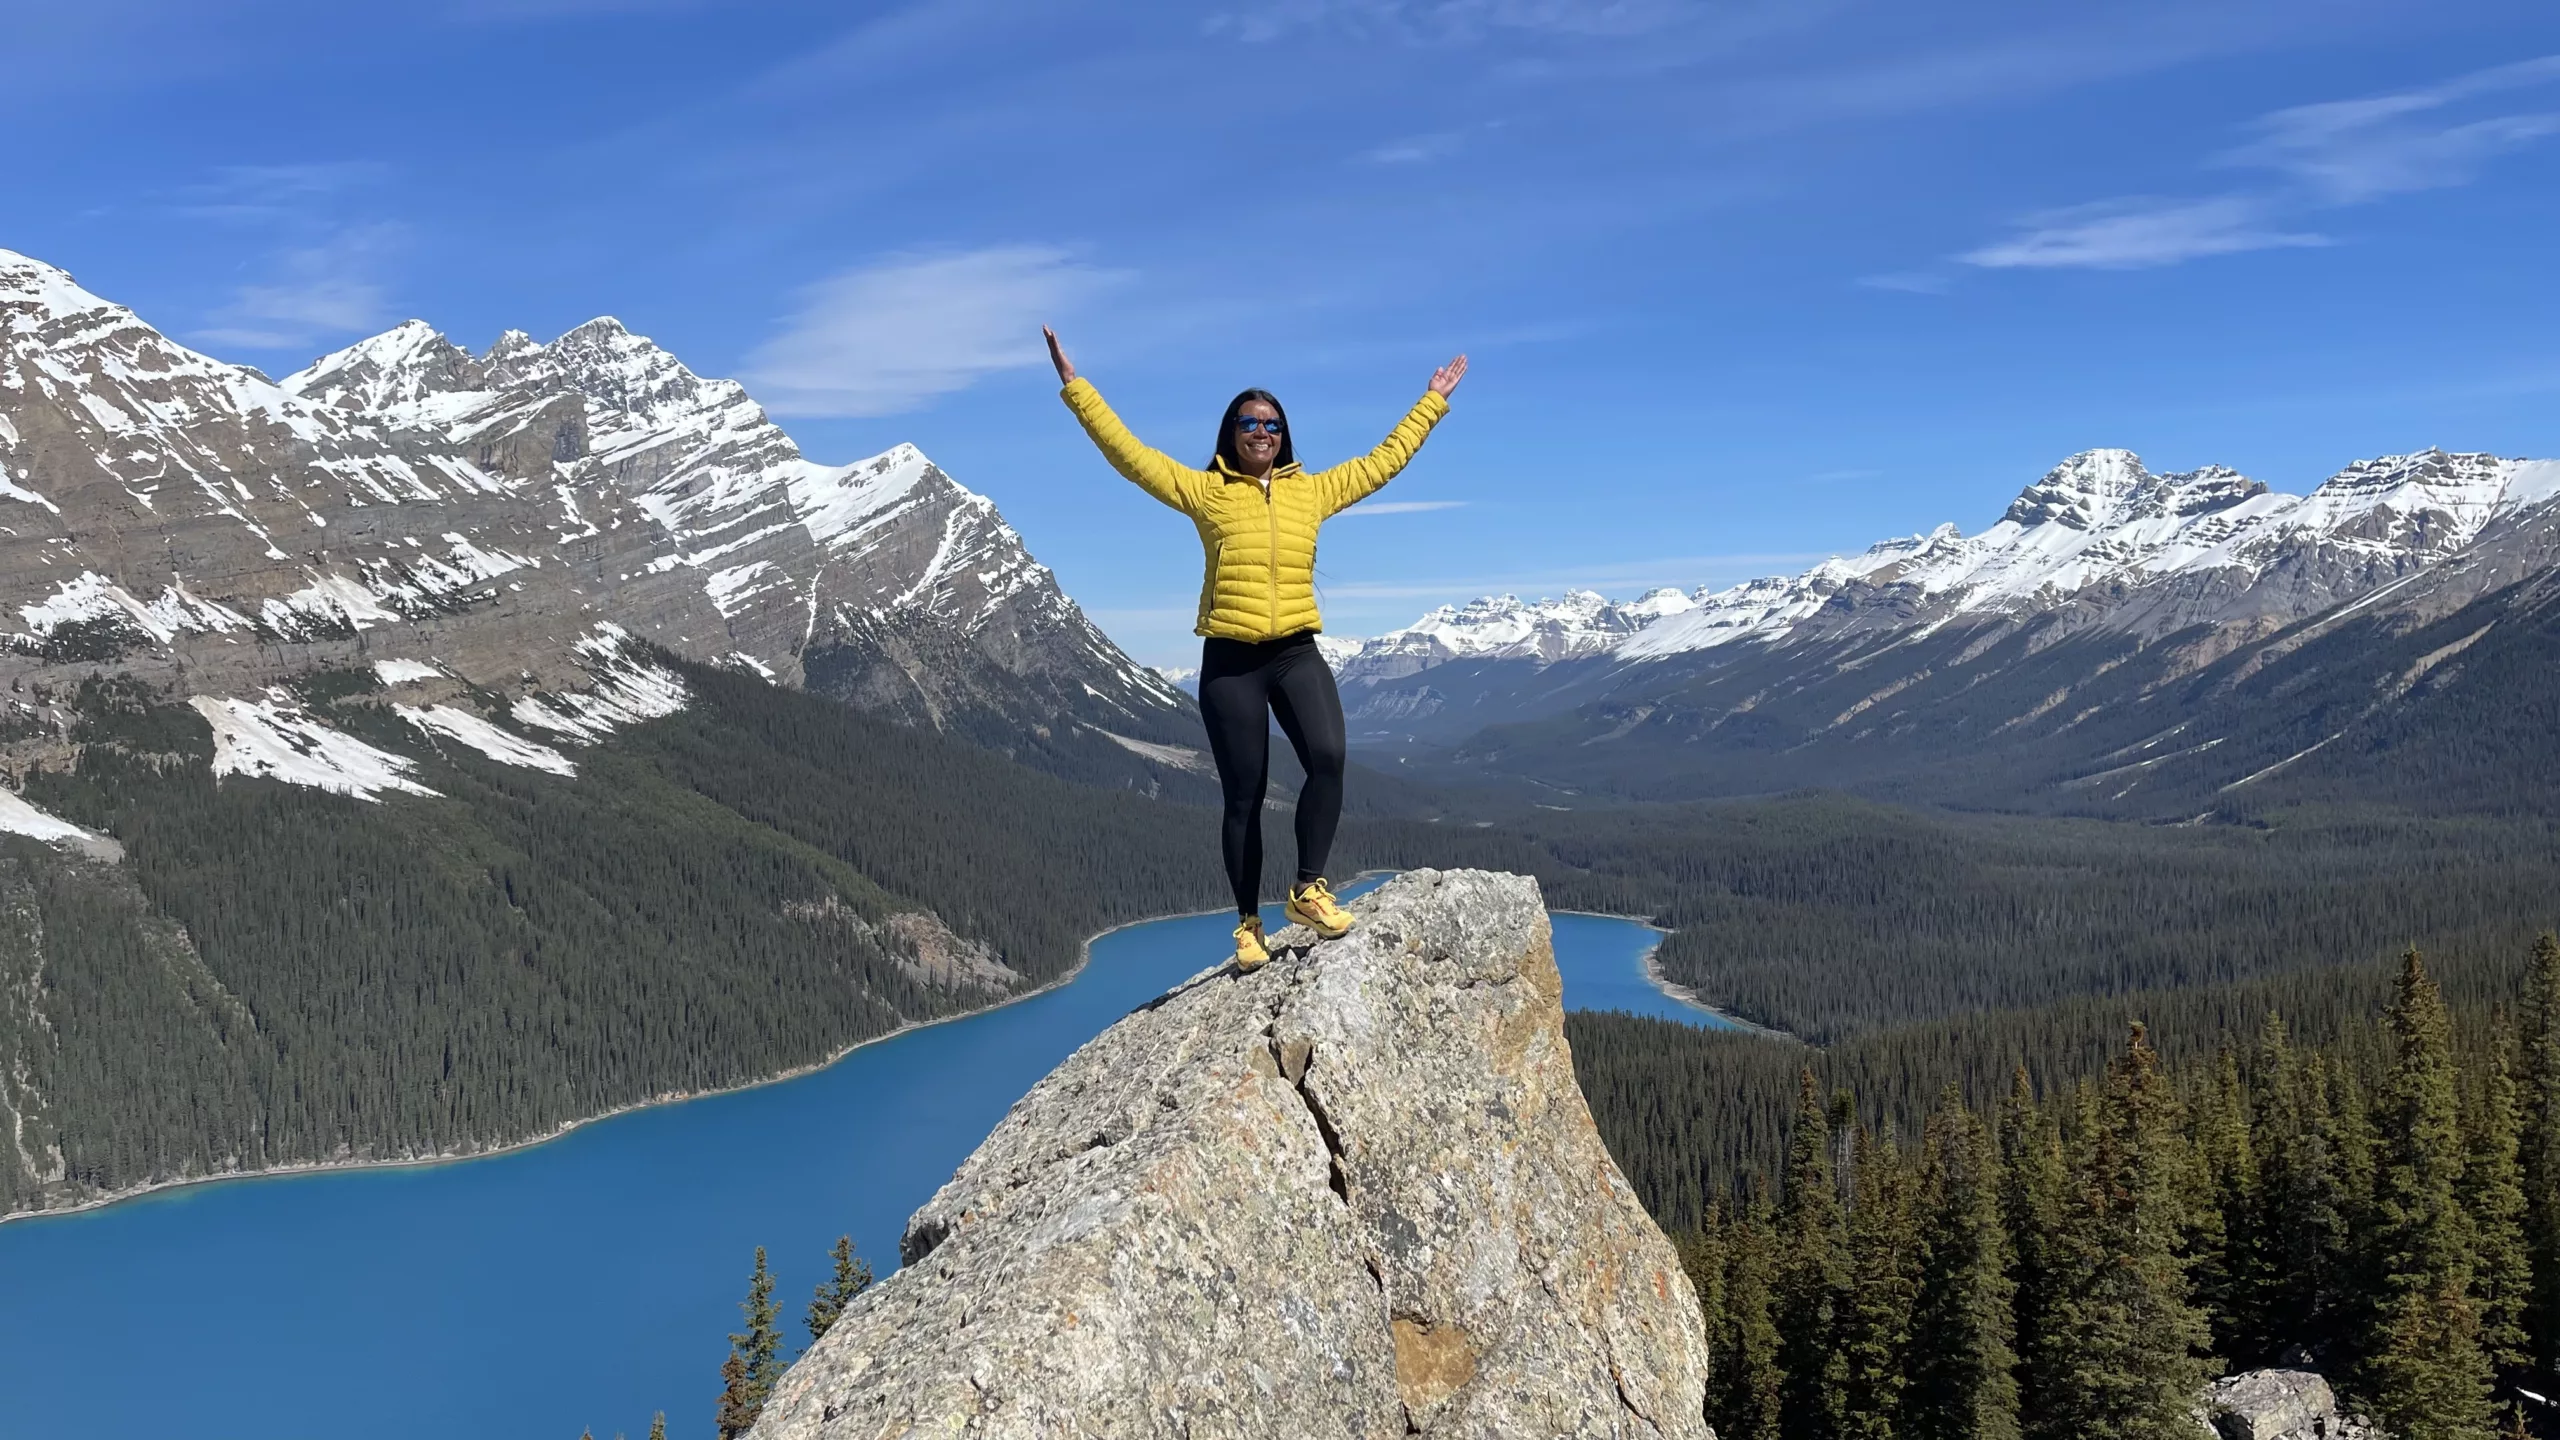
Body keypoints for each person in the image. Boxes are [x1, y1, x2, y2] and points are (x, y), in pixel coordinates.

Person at [1045, 326, 1467, 971]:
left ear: (1283, 434)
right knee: (1244, 794)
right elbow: (1129, 454)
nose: (1260, 431)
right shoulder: (1206, 492)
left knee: (1328, 757)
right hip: (1231, 660)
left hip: (1295, 651)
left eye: (1271, 423)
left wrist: (1430, 402)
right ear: (1231, 433)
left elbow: (1385, 461)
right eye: (1248, 422)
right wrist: (1078, 390)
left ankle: (1308, 888)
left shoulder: (1312, 491)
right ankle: (1247, 925)